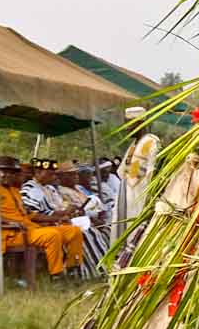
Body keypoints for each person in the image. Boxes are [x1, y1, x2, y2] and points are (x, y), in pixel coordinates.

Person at [0, 157, 83, 279]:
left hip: (30, 229)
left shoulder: (15, 190)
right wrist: (10, 223)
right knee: (52, 235)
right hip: (12, 233)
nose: (8, 175)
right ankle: (56, 274)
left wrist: (57, 219)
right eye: (4, 172)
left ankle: (73, 269)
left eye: (12, 173)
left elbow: (30, 214)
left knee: (74, 231)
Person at [113, 107, 161, 244]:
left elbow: (153, 170)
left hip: (140, 195)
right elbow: (122, 172)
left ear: (139, 123)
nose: (126, 128)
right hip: (127, 194)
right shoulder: (134, 145)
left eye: (129, 124)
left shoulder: (151, 142)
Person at [55, 162, 111, 278]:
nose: (75, 176)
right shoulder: (61, 191)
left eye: (76, 173)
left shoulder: (79, 188)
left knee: (108, 229)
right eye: (71, 174)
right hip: (76, 222)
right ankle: (97, 269)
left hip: (90, 219)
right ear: (61, 177)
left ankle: (111, 262)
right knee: (91, 234)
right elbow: (68, 211)